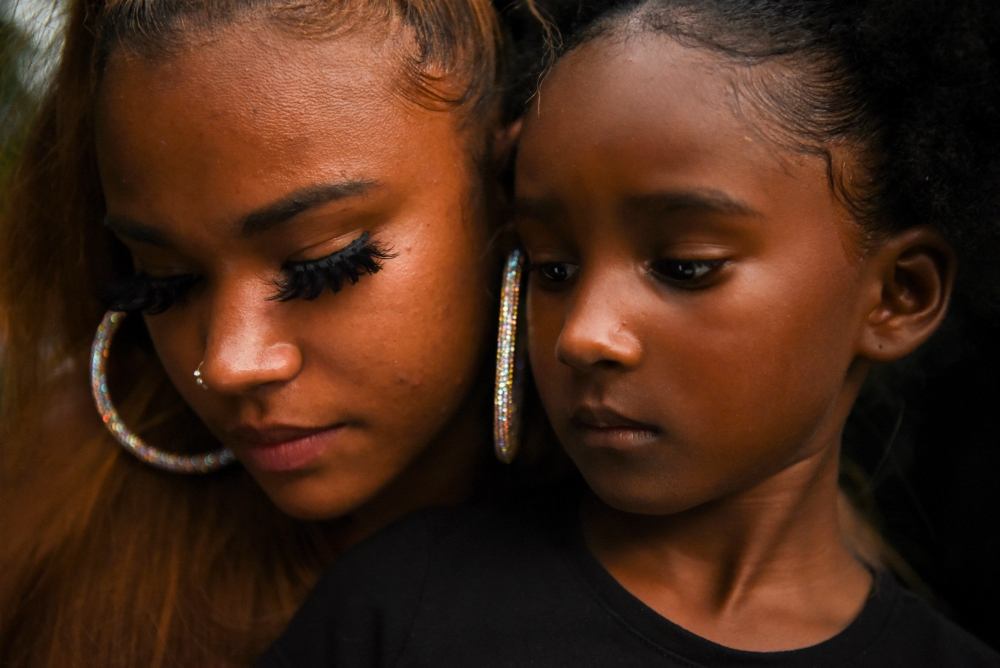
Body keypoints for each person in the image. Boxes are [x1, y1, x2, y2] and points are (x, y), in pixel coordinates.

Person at [256, 0, 1000, 665]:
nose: (583, 335)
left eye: (684, 266)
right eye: (551, 269)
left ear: (899, 296)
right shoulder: (400, 609)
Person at [0, 0, 521, 663]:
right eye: (161, 281)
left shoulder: (660, 555)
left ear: (508, 185)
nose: (227, 364)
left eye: (319, 266)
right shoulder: (53, 512)